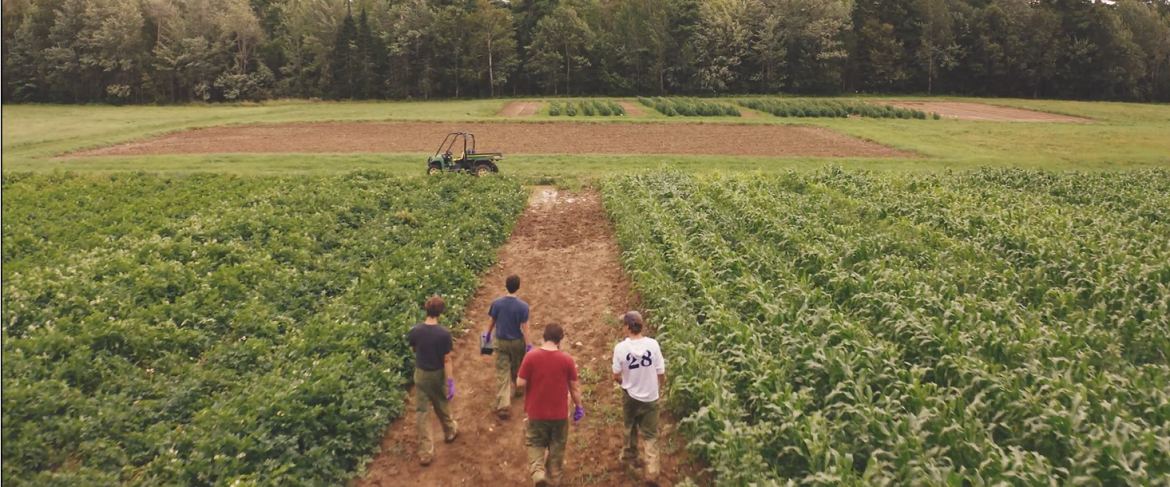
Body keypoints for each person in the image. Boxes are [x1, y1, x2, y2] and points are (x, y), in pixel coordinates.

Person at [517, 323, 584, 487]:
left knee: (534, 443)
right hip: (559, 414)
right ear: (560, 340)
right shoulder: (566, 360)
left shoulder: (531, 357)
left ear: (544, 336)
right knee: (557, 447)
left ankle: (538, 473)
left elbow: (520, 383)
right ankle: (553, 479)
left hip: (536, 412)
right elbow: (574, 387)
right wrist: (579, 407)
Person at [612, 311, 665, 484]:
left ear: (627, 327)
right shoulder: (653, 345)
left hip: (630, 396)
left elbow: (616, 375)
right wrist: (658, 387)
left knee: (630, 426)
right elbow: (661, 373)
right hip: (650, 397)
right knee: (650, 434)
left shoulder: (621, 348)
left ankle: (629, 456)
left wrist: (625, 383)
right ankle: (652, 471)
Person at [407, 295, 458, 466]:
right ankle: (450, 431)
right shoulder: (443, 334)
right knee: (441, 403)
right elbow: (446, 359)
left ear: (426, 310)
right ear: (440, 312)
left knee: (422, 412)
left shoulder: (415, 331)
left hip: (421, 373)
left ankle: (425, 452)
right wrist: (450, 381)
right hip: (436, 373)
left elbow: (414, 348)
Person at [484, 274, 531, 419]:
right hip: (517, 341)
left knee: (502, 371)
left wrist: (487, 335)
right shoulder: (523, 306)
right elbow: (525, 328)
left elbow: (492, 321)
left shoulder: (497, 303)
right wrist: (528, 345)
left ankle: (503, 405)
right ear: (518, 287)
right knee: (517, 366)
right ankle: (518, 389)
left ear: (506, 285)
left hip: (501, 341)